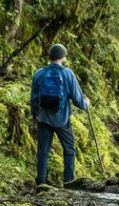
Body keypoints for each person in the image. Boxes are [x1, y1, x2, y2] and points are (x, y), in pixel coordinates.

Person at [30, 43, 89, 188]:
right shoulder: (67, 73)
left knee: (43, 151)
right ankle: (68, 182)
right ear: (62, 57)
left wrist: (35, 115)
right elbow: (77, 99)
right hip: (61, 119)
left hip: (43, 117)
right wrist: (86, 103)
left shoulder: (39, 73)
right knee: (69, 150)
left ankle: (41, 183)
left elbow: (33, 98)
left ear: (50, 56)